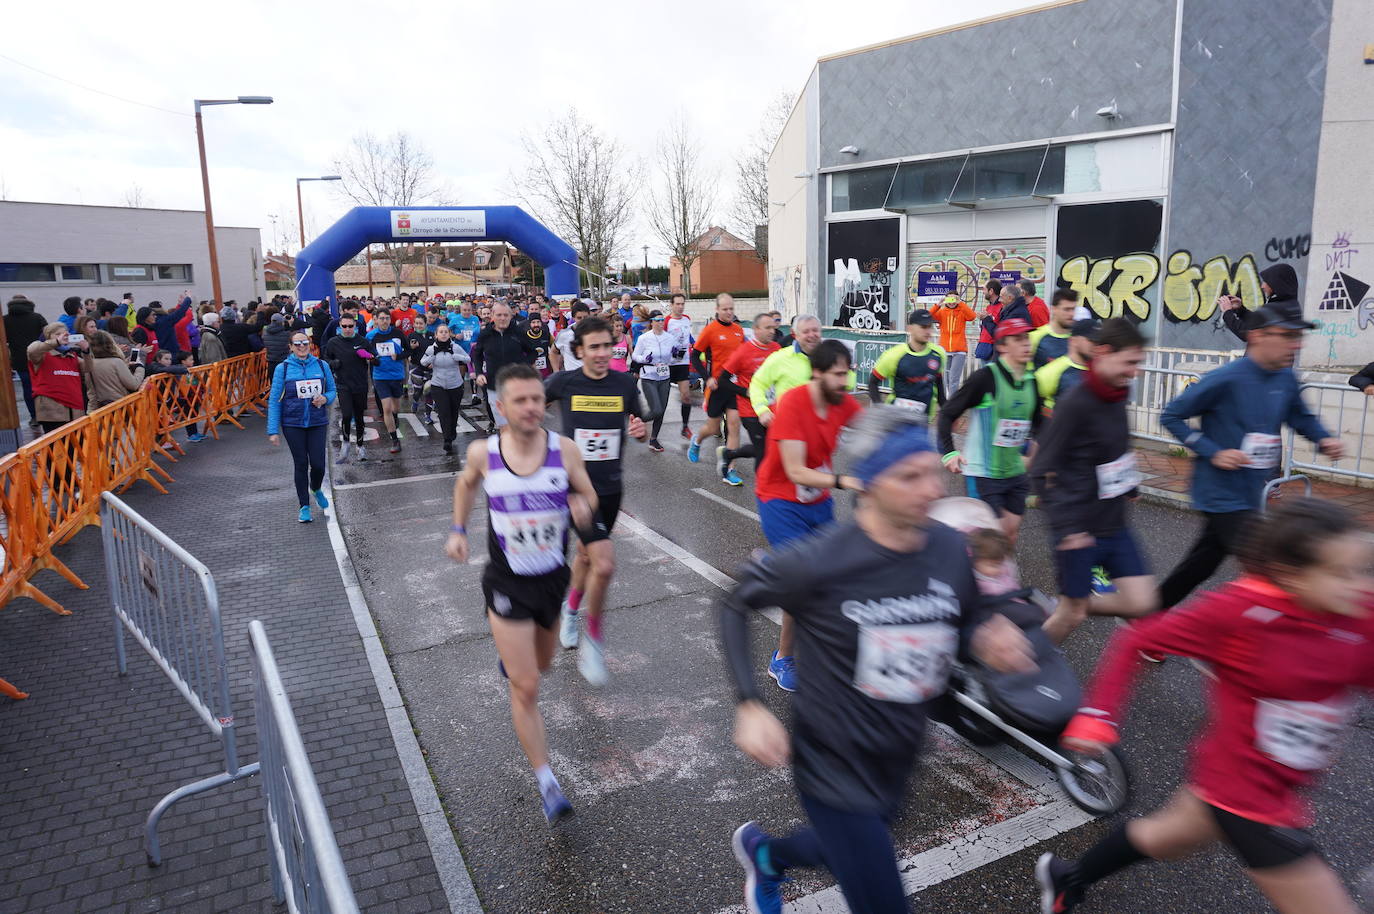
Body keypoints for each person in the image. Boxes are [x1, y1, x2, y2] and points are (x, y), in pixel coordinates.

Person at [723, 407, 1035, 914]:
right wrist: (749, 704)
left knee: (841, 848)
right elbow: (736, 602)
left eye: (931, 471)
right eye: (909, 477)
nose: (932, 488)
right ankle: (770, 854)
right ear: (869, 484)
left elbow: (967, 613)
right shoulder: (821, 560)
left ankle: (766, 854)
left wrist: (986, 635)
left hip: (899, 751)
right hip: (831, 761)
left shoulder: (949, 549)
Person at [1037, 498, 1374, 914]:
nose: (1361, 585)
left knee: (1164, 838)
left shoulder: (1358, 615)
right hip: (1246, 792)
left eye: (1364, 570)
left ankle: (1067, 880)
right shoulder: (1239, 612)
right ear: (1293, 575)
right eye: (1342, 574)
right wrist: (1098, 714)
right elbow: (1138, 639)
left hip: (1260, 780)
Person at [446, 364, 600, 823]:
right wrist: (458, 530)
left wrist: (581, 505)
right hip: (506, 582)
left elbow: (590, 497)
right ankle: (548, 782)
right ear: (501, 407)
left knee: (545, 665)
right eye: (521, 401)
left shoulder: (564, 451)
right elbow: (465, 484)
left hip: (551, 580)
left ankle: (518, 663)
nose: (532, 408)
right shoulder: (484, 453)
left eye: (537, 399)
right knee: (527, 685)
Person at [1156, 298, 1342, 612]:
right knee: (1269, 572)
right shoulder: (1225, 379)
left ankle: (1147, 615)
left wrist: (1324, 439)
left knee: (1201, 565)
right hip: (1220, 492)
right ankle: (1225, 647)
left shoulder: (1285, 378)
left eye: (1298, 338)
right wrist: (1212, 451)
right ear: (1258, 336)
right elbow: (1171, 415)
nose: (1295, 345)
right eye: (1287, 336)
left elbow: (1300, 416)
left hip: (1253, 490)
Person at [1028, 319, 1159, 644]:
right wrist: (1067, 529)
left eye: (1138, 363)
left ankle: (1070, 604)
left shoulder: (1116, 395)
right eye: (1130, 362)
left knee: (1142, 601)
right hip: (1079, 530)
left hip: (1113, 524)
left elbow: (1116, 447)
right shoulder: (1077, 402)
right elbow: (1040, 469)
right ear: (1103, 352)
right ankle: (1019, 673)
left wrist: (1129, 485)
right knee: (1071, 616)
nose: (1135, 371)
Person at [753, 339, 864, 693]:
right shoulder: (794, 403)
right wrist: (848, 480)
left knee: (832, 578)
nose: (844, 382)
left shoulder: (841, 401)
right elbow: (796, 472)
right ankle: (783, 658)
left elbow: (874, 432)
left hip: (819, 503)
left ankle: (779, 569)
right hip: (780, 501)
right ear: (817, 372)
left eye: (847, 374)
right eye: (837, 374)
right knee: (804, 585)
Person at [544, 316, 648, 685]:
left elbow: (640, 425)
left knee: (587, 556)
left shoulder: (623, 382)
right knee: (603, 564)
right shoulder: (565, 381)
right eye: (594, 347)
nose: (603, 353)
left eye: (607, 345)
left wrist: (638, 431)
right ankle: (594, 639)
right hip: (575, 490)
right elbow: (527, 408)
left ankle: (569, 610)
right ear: (579, 351)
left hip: (611, 488)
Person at [937, 318, 1042, 542]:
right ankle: (969, 569)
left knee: (1009, 534)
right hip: (983, 473)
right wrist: (950, 452)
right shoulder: (985, 378)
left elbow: (1039, 425)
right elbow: (947, 413)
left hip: (1014, 472)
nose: (1026, 344)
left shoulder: (1031, 381)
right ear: (1002, 345)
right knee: (991, 540)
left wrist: (1030, 456)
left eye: (1027, 338)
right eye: (1018, 339)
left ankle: (997, 574)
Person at [267, 331, 337, 523]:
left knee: (318, 464)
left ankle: (315, 488)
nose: (301, 346)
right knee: (300, 464)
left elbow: (332, 390)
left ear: (310, 344)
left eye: (305, 343)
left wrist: (325, 398)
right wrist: (272, 430)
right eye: (297, 344)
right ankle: (304, 506)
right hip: (293, 423)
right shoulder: (283, 368)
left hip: (317, 421)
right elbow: (274, 400)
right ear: (290, 347)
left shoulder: (322, 366)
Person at [687, 294, 747, 475]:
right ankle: (697, 440)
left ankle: (730, 469)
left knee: (734, 425)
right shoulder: (710, 330)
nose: (729, 312)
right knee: (713, 427)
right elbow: (695, 356)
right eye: (725, 309)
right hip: (716, 387)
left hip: (733, 386)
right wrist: (707, 378)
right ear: (717, 310)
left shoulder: (739, 330)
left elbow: (742, 358)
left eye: (731, 309)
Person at [717, 313, 781, 474]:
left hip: (772, 408)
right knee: (763, 451)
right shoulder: (743, 352)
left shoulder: (776, 349)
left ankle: (730, 453)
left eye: (773, 327)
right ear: (756, 329)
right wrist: (746, 392)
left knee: (775, 447)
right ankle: (764, 491)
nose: (772, 331)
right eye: (767, 328)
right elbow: (723, 380)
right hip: (749, 410)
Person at [867, 309, 946, 421]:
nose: (928, 331)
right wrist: (880, 409)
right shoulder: (893, 355)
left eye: (930, 326)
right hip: (897, 422)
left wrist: (949, 415)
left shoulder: (938, 354)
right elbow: (872, 382)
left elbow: (940, 390)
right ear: (910, 328)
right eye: (923, 327)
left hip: (923, 423)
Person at [473, 303, 537, 432]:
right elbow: (477, 354)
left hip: (517, 385)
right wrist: (479, 373)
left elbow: (533, 352)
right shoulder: (485, 334)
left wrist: (522, 366)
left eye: (505, 315)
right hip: (494, 385)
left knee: (519, 422)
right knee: (503, 426)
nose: (502, 318)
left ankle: (521, 448)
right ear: (492, 316)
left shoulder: (518, 332)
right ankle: (507, 449)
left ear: (511, 316)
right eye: (499, 315)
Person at [323, 312, 373, 463]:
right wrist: (333, 364)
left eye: (350, 326)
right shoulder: (333, 342)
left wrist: (369, 356)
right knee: (346, 415)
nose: (347, 329)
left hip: (360, 384)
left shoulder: (363, 341)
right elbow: (325, 358)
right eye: (344, 326)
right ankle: (345, 443)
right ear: (340, 326)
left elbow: (375, 358)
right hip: (343, 384)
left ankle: (360, 445)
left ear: (355, 326)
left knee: (359, 417)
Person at [27, 323, 89, 433]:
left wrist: (86, 351)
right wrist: (56, 342)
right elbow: (32, 350)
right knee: (58, 447)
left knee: (76, 447)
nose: (62, 336)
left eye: (64, 334)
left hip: (75, 409)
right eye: (57, 334)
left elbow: (89, 369)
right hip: (52, 411)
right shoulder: (42, 354)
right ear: (48, 336)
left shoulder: (71, 355)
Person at [1218, 263, 1302, 344]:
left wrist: (1227, 312)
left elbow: (1247, 333)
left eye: (1266, 282)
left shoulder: (1279, 309)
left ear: (1276, 284)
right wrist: (1241, 309)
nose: (1262, 286)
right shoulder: (1284, 306)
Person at [422, 322, 471, 455]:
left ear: (449, 334)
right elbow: (423, 362)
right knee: (443, 412)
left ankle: (452, 431)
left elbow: (468, 358)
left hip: (455, 384)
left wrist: (457, 357)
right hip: (438, 385)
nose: (443, 334)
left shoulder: (455, 347)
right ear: (436, 335)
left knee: (453, 411)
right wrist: (431, 358)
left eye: (446, 332)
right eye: (441, 332)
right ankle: (447, 440)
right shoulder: (431, 349)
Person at [630, 310, 677, 451]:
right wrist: (645, 359)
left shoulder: (669, 338)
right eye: (658, 320)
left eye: (662, 320)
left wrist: (675, 355)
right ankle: (637, 421)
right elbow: (635, 356)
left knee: (661, 411)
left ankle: (653, 439)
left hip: (665, 377)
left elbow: (673, 359)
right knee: (656, 410)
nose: (661, 322)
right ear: (651, 322)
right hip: (648, 376)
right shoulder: (645, 338)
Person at [1036, 318, 1098, 419]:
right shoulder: (1052, 371)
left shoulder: (1101, 371)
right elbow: (1033, 404)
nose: (1096, 344)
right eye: (1091, 340)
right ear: (1073, 340)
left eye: (1098, 341)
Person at [365, 309, 408, 454]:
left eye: (387, 318)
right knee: (387, 408)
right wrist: (373, 359)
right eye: (381, 318)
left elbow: (408, 351)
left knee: (396, 407)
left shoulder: (397, 333)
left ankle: (395, 418)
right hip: (380, 376)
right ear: (376, 320)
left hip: (397, 375)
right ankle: (395, 440)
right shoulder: (371, 336)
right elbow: (367, 354)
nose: (384, 321)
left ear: (390, 320)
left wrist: (399, 355)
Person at [6, 294, 47, 428]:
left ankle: (34, 416)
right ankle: (46, 415)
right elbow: (47, 336)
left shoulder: (5, 320)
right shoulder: (37, 318)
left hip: (20, 360)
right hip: (39, 357)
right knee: (44, 386)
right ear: (29, 304)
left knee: (27, 388)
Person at [930, 292, 976, 395]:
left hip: (959, 351)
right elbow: (929, 316)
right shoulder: (942, 312)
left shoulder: (962, 311)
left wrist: (961, 303)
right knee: (945, 379)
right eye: (949, 299)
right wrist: (938, 304)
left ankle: (951, 403)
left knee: (953, 379)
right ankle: (947, 401)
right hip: (945, 350)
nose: (952, 302)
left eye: (954, 299)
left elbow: (972, 316)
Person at [664, 293, 696, 438]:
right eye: (677, 304)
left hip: (682, 363)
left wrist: (695, 345)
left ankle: (685, 427)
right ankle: (654, 429)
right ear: (671, 305)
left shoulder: (687, 319)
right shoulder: (667, 321)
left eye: (682, 304)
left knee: (686, 396)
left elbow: (688, 337)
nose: (680, 306)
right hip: (668, 364)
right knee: (662, 400)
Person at [86, 330, 144, 409]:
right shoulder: (116, 362)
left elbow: (91, 390)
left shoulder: (89, 364)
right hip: (120, 407)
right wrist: (140, 367)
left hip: (100, 409)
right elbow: (134, 385)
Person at [1028, 289, 1079, 370]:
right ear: (1054, 309)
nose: (1071, 314)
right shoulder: (1035, 337)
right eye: (1066, 309)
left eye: (1073, 309)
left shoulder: (1079, 338)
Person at [554, 300, 589, 372]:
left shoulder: (596, 332)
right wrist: (556, 371)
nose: (582, 321)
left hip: (591, 378)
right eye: (579, 318)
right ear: (573, 318)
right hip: (572, 379)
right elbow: (553, 352)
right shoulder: (564, 334)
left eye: (585, 317)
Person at [974, 279, 1002, 364]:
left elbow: (998, 331)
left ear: (991, 291)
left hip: (994, 350)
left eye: (984, 289)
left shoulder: (1002, 307)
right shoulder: (988, 307)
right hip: (984, 347)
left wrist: (986, 319)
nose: (983, 292)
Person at [525, 312, 555, 379]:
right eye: (533, 322)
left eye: (538, 322)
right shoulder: (524, 337)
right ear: (529, 324)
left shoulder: (547, 334)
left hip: (546, 371)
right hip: (531, 372)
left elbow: (555, 350)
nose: (536, 325)